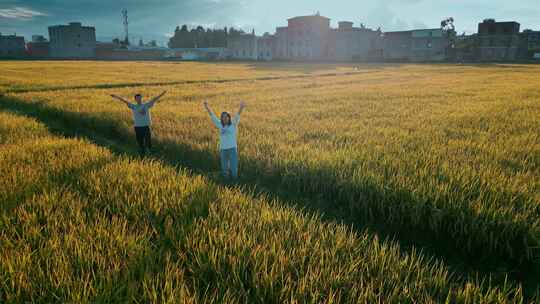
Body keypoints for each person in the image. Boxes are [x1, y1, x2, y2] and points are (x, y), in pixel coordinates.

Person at [110, 91, 167, 156]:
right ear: (135, 99)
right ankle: (142, 153)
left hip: (146, 126)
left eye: (140, 98)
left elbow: (154, 99)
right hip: (137, 127)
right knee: (140, 142)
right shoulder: (133, 106)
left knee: (148, 140)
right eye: (137, 98)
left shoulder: (146, 105)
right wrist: (116, 96)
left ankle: (148, 152)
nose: (139, 99)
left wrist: (162, 94)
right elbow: (124, 101)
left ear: (141, 98)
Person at [203, 100, 246, 180]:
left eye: (226, 117)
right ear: (221, 119)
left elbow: (237, 115)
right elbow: (213, 116)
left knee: (234, 168)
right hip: (223, 149)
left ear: (229, 117)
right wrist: (207, 107)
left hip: (232, 149)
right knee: (224, 168)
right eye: (223, 117)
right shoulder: (220, 125)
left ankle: (235, 182)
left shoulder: (233, 124)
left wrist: (241, 107)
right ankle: (226, 182)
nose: (224, 118)